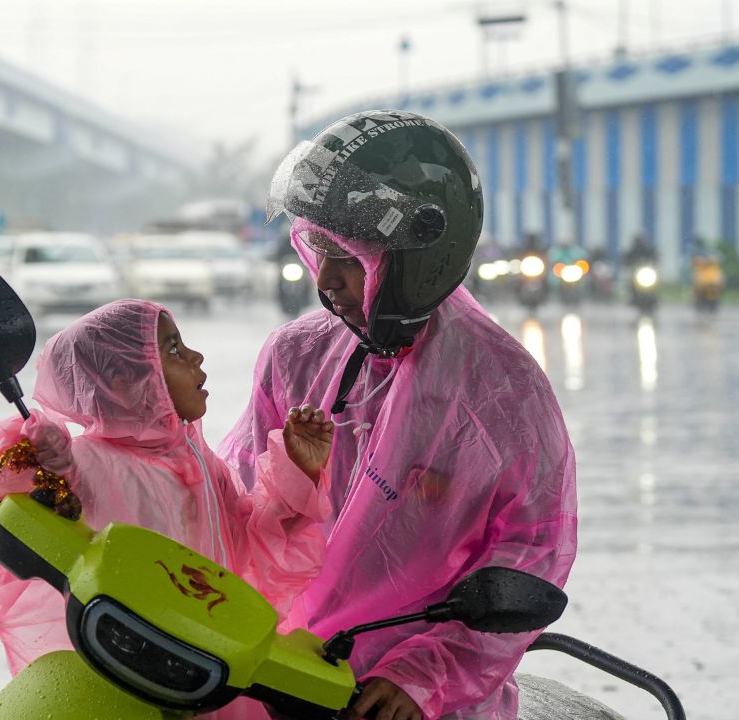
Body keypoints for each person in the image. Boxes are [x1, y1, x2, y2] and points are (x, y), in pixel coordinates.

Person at [222, 110, 578, 719]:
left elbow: (529, 555)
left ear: (420, 261)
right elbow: (233, 498)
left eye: (349, 257)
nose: (326, 280)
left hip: (409, 700)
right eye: (318, 249)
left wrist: (426, 673)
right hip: (271, 668)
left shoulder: (504, 393)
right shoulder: (295, 355)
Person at [0, 299, 336, 681]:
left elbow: (252, 547)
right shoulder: (83, 463)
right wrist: (40, 454)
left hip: (208, 664)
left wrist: (298, 472)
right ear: (124, 382)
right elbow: (3, 477)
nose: (196, 357)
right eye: (173, 350)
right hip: (131, 675)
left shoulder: (198, 463)